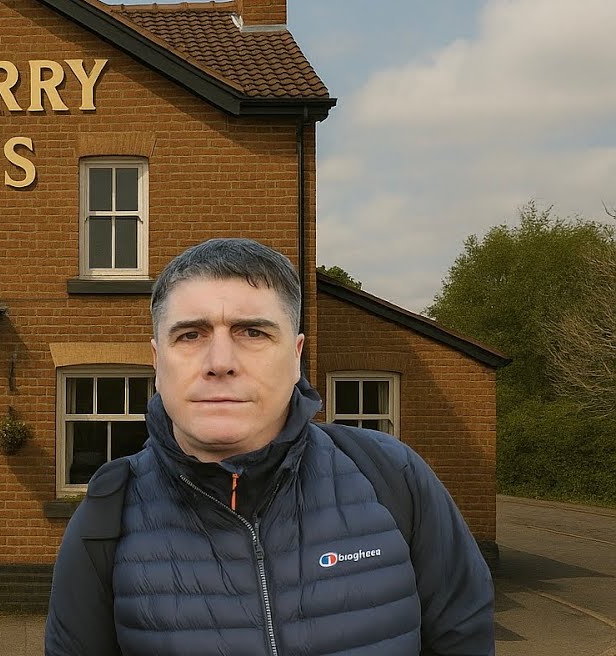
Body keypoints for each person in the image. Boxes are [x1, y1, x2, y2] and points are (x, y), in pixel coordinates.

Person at [45, 238, 494, 655]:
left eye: (253, 333)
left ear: (296, 356)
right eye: (190, 335)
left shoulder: (392, 475)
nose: (220, 363)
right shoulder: (106, 514)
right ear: (157, 361)